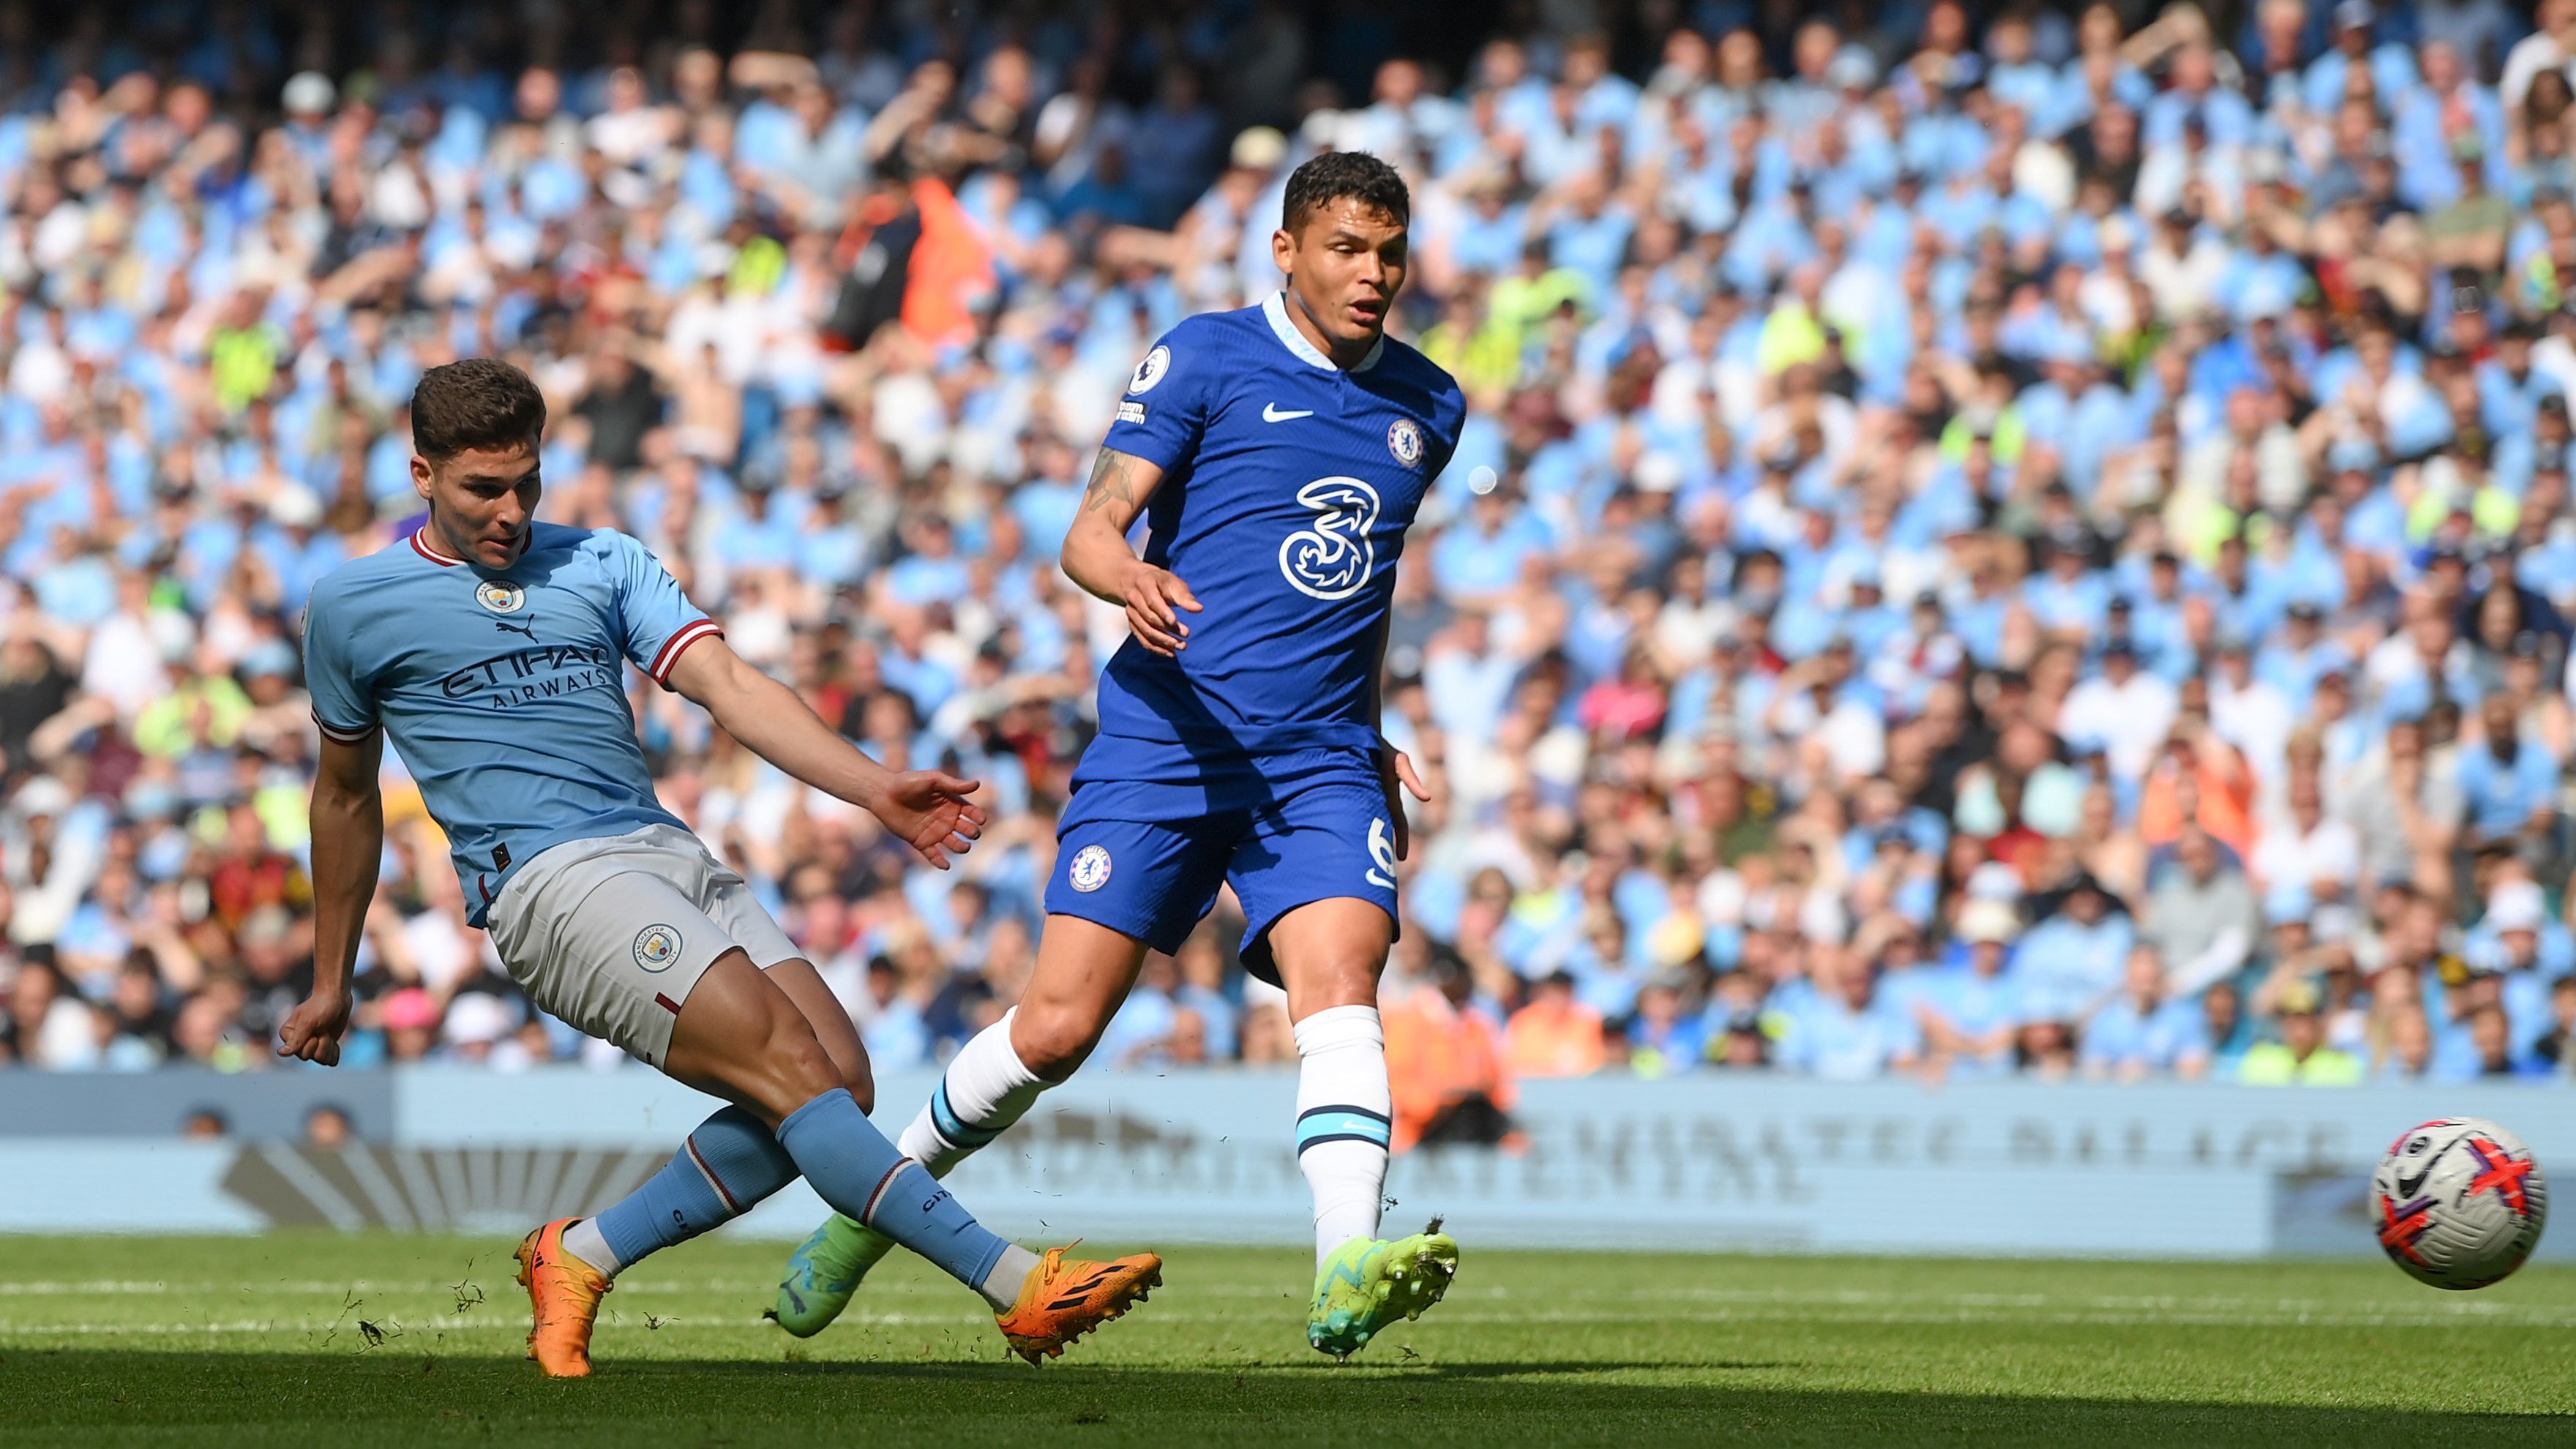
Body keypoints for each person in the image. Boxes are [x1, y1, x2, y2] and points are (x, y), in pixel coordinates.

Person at [277, 359, 1160, 1377]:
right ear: (422, 472)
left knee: (838, 1077)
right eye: (485, 488)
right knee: (791, 1071)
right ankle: (1016, 1286)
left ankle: (581, 1255)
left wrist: (872, 787)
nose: (512, 511)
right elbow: (344, 797)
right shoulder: (353, 606)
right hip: (548, 883)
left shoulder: (603, 562)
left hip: (661, 850)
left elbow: (728, 684)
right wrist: (331, 980)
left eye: (528, 482)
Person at [771, 151, 1468, 1360]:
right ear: (1287, 252)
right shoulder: (1205, 354)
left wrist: (1370, 718)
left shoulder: (1430, 404)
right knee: (1054, 1031)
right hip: (1168, 742)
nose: (1373, 274)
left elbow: (1365, 586)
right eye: (1347, 249)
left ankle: (1345, 1264)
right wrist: (1132, 575)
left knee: (1344, 980)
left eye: (1390, 251)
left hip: (1317, 757)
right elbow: (1090, 528)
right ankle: (870, 1213)